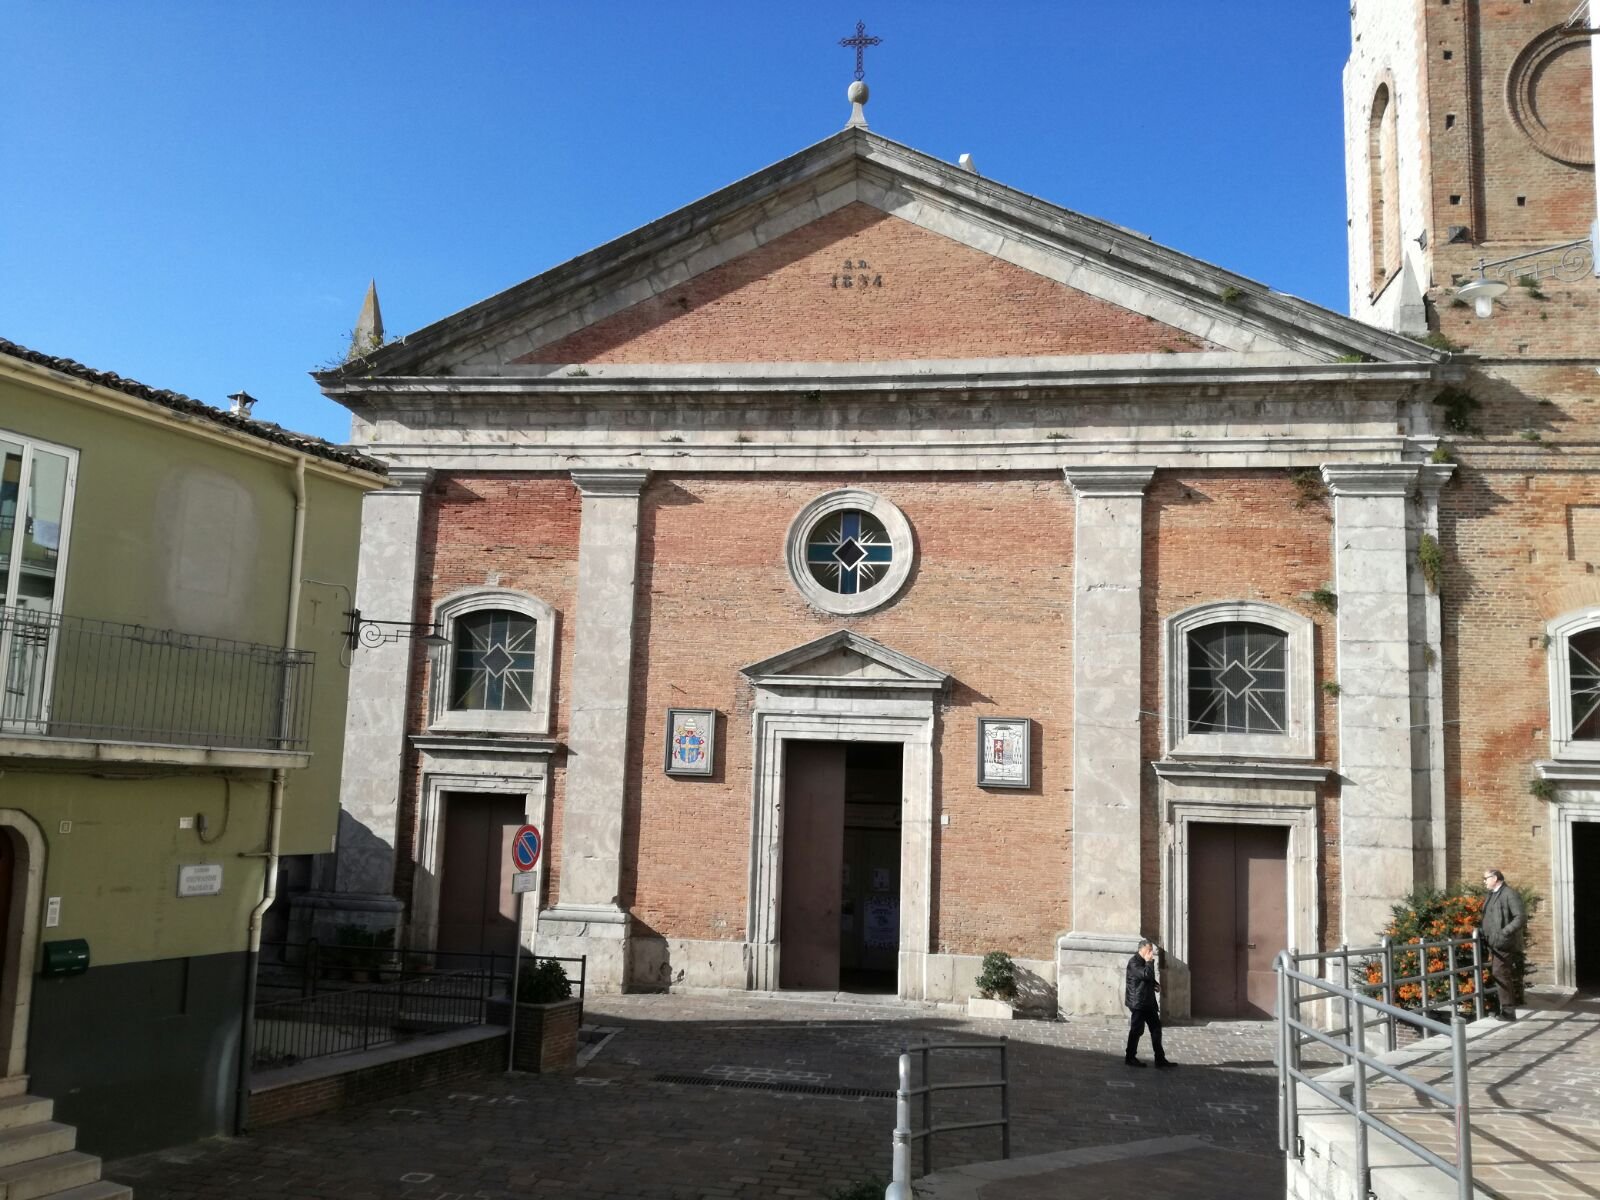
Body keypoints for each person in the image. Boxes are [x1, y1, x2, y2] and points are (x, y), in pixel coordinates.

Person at [1480, 868, 1526, 1021]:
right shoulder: (1492, 894)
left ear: (1495, 878)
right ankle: (1499, 1007)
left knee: (1500, 973)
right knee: (1497, 973)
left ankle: (1508, 1011)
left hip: (1504, 943)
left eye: (1486, 878)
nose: (1484, 881)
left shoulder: (1509, 894)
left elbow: (1520, 917)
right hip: (1491, 942)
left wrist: (1505, 932)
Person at [1125, 939, 1173, 1068]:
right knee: (1136, 1030)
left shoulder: (1145, 961)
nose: (1151, 953)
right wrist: (1149, 962)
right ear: (1141, 949)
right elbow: (1146, 974)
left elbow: (1148, 978)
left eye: (1152, 950)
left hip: (1148, 1002)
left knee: (1156, 1029)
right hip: (1138, 1002)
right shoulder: (1134, 963)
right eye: (1149, 950)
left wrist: (1155, 984)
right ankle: (1130, 1057)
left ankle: (1160, 1059)